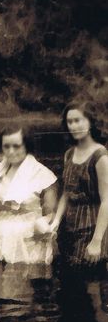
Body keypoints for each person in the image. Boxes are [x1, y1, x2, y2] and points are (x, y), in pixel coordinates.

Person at [0, 126, 57, 265]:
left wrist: (45, 223)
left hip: (28, 242)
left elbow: (50, 212)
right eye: (6, 146)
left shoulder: (43, 175)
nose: (11, 151)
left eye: (16, 146)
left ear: (26, 146)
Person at [50, 102, 108, 267]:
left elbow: (106, 201)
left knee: (91, 283)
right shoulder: (69, 154)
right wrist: (55, 222)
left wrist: (97, 241)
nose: (74, 126)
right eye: (70, 122)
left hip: (92, 228)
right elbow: (66, 193)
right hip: (68, 228)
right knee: (69, 283)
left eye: (78, 120)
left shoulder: (100, 156)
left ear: (90, 122)